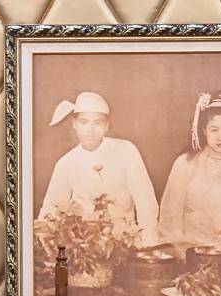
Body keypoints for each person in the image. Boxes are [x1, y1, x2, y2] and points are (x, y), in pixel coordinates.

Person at [38, 91, 159, 246]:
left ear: (107, 126)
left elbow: (145, 200)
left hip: (126, 242)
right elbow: (51, 209)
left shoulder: (126, 151)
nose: (90, 129)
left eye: (97, 123)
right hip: (84, 246)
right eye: (83, 122)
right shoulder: (66, 163)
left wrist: (148, 244)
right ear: (74, 124)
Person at [158, 90, 221, 252]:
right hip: (186, 247)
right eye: (214, 130)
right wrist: (180, 250)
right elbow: (170, 215)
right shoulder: (185, 164)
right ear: (203, 130)